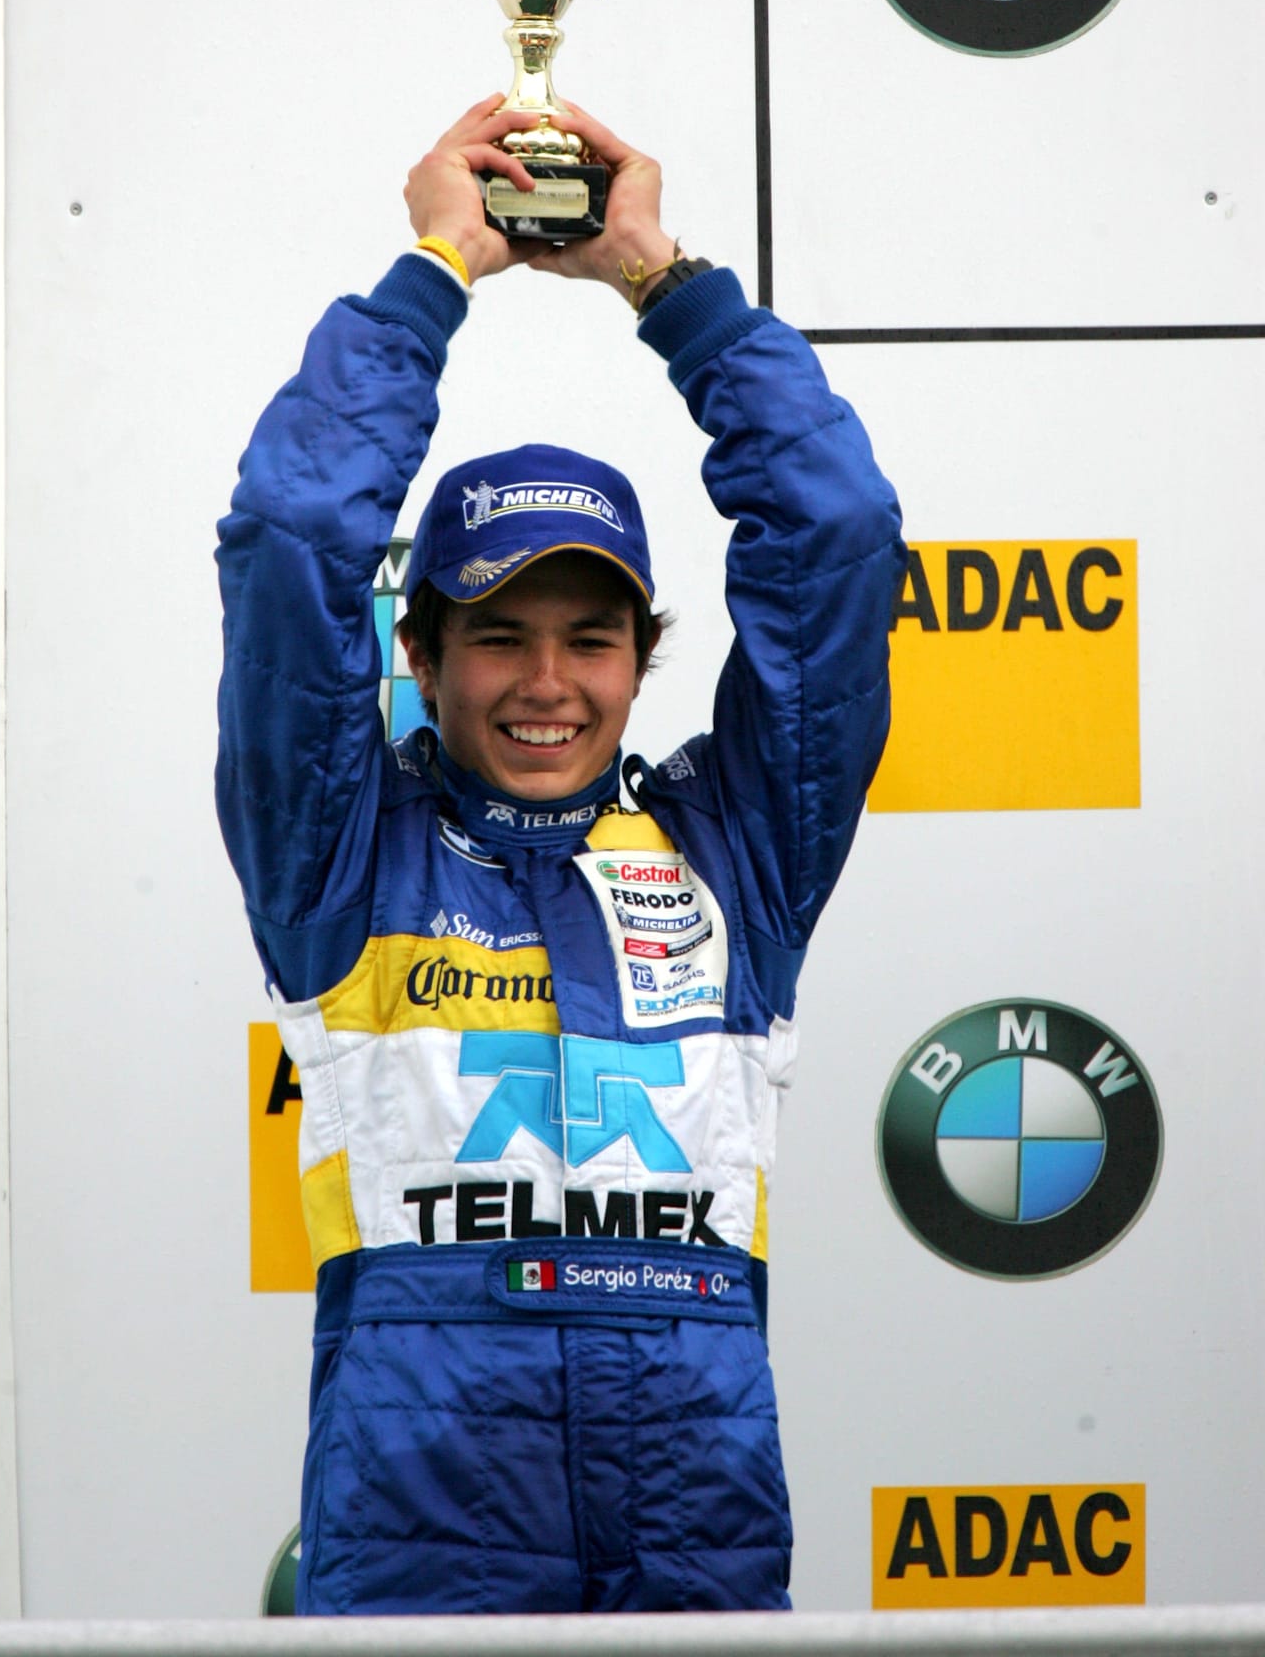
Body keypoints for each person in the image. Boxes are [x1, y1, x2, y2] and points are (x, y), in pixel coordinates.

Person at [215, 96, 904, 1615]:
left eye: (590, 638)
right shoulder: (339, 853)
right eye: (500, 637)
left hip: (698, 1538)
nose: (546, 684)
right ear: (423, 650)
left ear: (642, 658)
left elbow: (841, 534)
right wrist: (427, 279)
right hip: (423, 1543)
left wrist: (667, 284)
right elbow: (288, 535)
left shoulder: (743, 849)